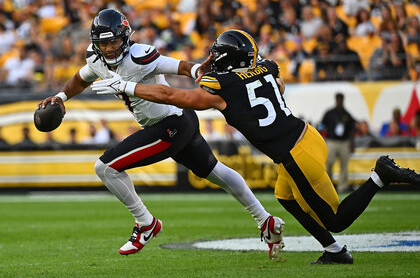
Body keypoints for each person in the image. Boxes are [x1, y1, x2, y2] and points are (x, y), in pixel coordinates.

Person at [92, 29, 420, 264]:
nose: (214, 61)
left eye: (218, 57)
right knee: (284, 197)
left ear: (226, 60)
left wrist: (129, 86)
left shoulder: (221, 87)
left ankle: (380, 175)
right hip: (308, 135)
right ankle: (335, 252)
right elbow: (273, 76)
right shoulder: (267, 67)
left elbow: (173, 96)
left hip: (294, 154)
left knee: (334, 218)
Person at [37, 9, 283, 259]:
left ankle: (146, 223)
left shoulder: (140, 55)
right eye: (104, 43)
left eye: (114, 41)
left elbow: (183, 66)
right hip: (179, 121)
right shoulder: (95, 59)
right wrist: (61, 96)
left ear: (125, 37)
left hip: (170, 124)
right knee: (215, 171)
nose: (110, 49)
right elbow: (82, 77)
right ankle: (266, 221)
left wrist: (198, 70)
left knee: (106, 167)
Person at [320, 92, 356, 193]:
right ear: (335, 100)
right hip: (332, 141)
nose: (339, 101)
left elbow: (352, 129)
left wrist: (352, 143)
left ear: (342, 100)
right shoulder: (329, 113)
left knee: (344, 166)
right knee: (329, 164)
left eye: (341, 99)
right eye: (338, 99)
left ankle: (342, 187)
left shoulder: (346, 114)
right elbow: (322, 125)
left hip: (344, 142)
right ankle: (327, 186)